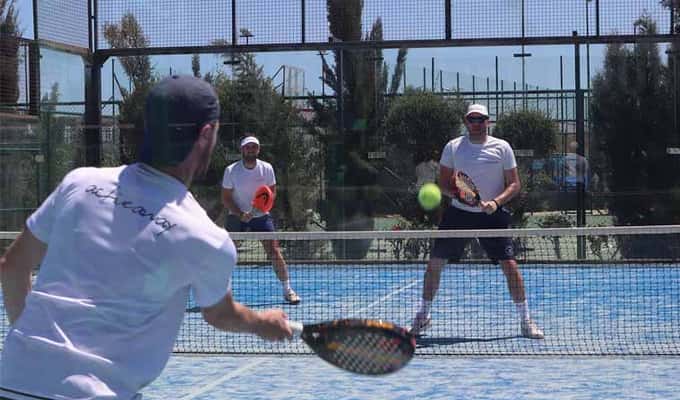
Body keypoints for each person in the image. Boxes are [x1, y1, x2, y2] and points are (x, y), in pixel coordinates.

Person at [0, 76, 292, 400]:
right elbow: (220, 314)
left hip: (12, 377)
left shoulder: (78, 184)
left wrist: (35, 353)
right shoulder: (206, 238)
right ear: (206, 134)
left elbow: (12, 267)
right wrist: (262, 322)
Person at [410, 103, 544, 339]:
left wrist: (496, 203)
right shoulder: (453, 147)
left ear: (488, 122)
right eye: (472, 120)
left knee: (510, 267)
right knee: (434, 264)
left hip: (493, 215)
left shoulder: (502, 148)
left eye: (481, 119)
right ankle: (423, 315)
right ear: (466, 121)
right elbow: (443, 183)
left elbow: (514, 184)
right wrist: (462, 196)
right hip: (458, 214)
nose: (477, 124)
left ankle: (526, 321)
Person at [222, 135, 300, 305]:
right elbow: (226, 198)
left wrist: (258, 209)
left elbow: (271, 193)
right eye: (247, 147)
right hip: (236, 216)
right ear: (242, 149)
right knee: (227, 255)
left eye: (254, 147)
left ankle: (288, 290)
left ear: (258, 150)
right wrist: (241, 213)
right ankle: (221, 295)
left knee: (274, 252)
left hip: (261, 216)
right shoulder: (231, 170)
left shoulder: (267, 168)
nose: (251, 149)